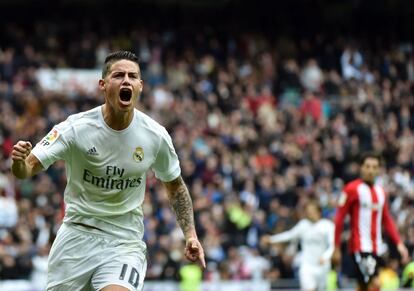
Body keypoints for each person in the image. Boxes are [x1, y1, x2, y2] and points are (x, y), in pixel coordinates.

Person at [11, 51, 205, 291]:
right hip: (76, 238)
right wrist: (19, 162)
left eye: (132, 76)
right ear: (103, 85)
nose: (126, 81)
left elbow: (175, 186)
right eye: (118, 75)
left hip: (124, 242)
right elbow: (26, 169)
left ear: (140, 86)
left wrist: (190, 234)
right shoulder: (75, 128)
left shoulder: (155, 136)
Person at [333, 152, 409, 291]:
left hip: (376, 248)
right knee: (375, 284)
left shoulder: (381, 192)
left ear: (379, 169)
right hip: (359, 247)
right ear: (361, 168)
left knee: (364, 287)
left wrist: (399, 243)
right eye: (367, 166)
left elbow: (387, 219)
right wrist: (336, 247)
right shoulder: (351, 189)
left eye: (374, 167)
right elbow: (339, 218)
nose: (371, 170)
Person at [262, 200, 335, 291]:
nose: (310, 213)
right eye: (308, 211)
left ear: (319, 211)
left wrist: (326, 256)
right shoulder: (303, 225)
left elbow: (333, 245)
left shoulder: (327, 225)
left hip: (322, 266)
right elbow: (289, 235)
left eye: (312, 210)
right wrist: (271, 239)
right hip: (307, 265)